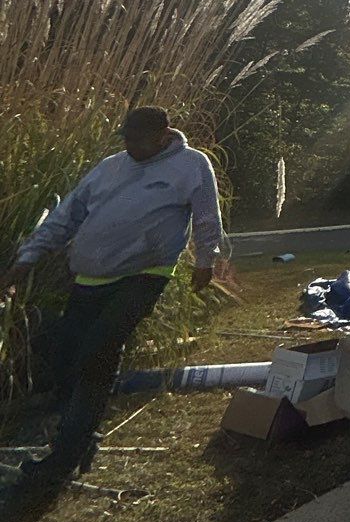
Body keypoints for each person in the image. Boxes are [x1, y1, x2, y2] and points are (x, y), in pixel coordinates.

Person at [0, 106, 223, 487]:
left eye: (138, 140)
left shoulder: (191, 164)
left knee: (98, 351)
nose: (130, 146)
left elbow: (206, 216)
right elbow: (66, 215)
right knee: (68, 354)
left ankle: (64, 458)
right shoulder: (110, 167)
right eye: (126, 139)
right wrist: (25, 261)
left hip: (144, 274)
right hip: (91, 277)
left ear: (163, 134)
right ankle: (80, 435)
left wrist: (206, 260)